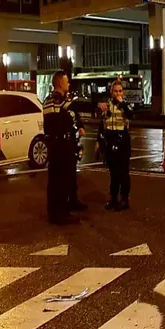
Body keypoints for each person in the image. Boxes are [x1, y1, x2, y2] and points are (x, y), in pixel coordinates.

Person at [43, 71, 87, 225]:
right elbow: (67, 113)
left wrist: (78, 125)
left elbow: (73, 114)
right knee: (59, 180)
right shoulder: (55, 100)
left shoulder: (58, 101)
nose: (69, 84)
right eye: (67, 82)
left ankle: (67, 205)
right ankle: (58, 213)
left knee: (66, 177)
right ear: (60, 83)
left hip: (64, 144)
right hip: (59, 145)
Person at [96, 80, 133, 211]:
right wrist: (98, 142)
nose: (118, 93)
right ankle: (113, 198)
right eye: (116, 91)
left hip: (122, 140)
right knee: (113, 172)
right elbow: (101, 123)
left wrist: (122, 103)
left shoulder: (125, 105)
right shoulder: (107, 105)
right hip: (110, 139)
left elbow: (130, 115)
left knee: (123, 171)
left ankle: (124, 199)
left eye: (120, 91)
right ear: (111, 92)